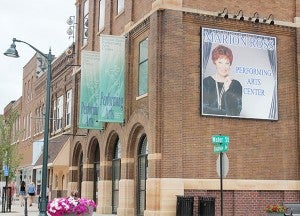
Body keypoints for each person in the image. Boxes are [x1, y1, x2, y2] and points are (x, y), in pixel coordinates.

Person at [202, 45, 242, 116]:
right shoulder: (206, 82)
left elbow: (235, 113)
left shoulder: (236, 85)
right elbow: (204, 109)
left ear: (230, 65)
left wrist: (228, 91)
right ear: (215, 62)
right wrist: (224, 113)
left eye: (227, 63)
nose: (224, 67)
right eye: (220, 62)